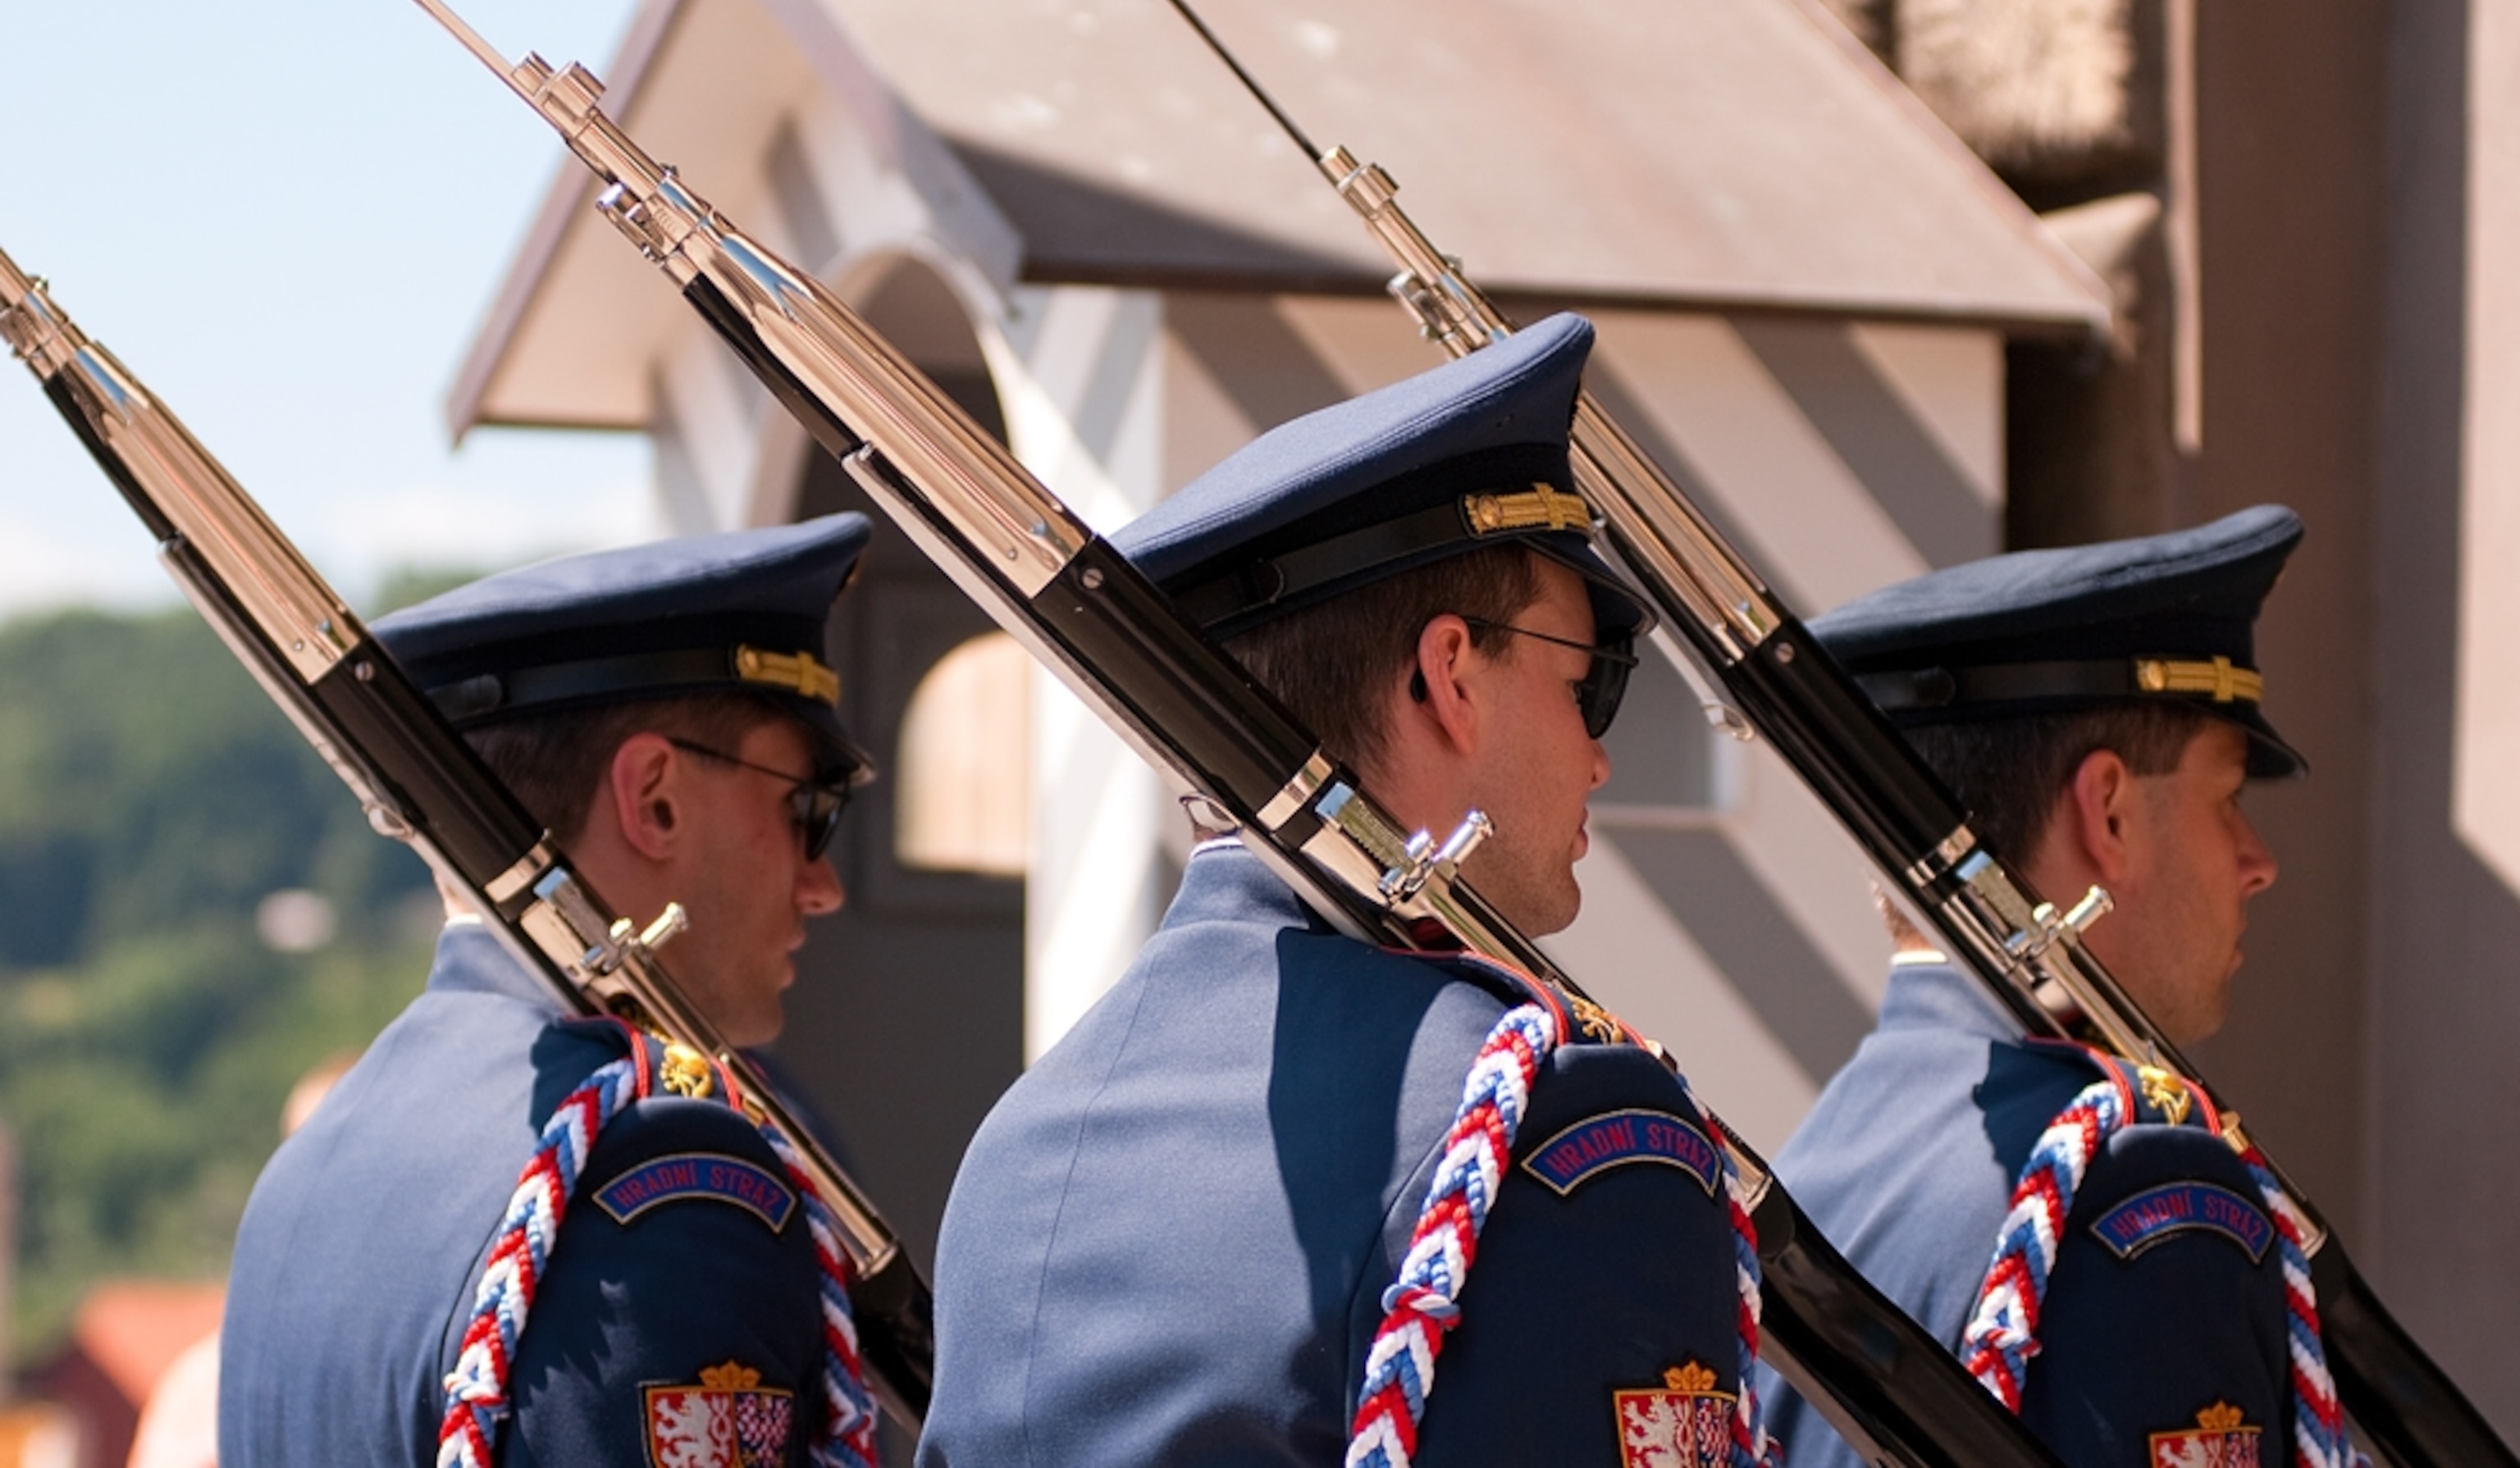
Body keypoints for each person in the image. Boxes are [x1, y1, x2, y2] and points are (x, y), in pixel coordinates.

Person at [918, 314, 1762, 1466]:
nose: (1599, 755)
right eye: (1586, 684)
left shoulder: (1023, 1138)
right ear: (1449, 675)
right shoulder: (1561, 1126)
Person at [219, 516, 878, 1467]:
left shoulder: (306, 1171)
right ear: (654, 795)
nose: (823, 885)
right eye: (804, 807)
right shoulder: (658, 1184)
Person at [1758, 506, 2317, 1466]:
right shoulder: (2140, 1190)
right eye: (2226, 798)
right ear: (2108, 812)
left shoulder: (1814, 1162)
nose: (2257, 860)